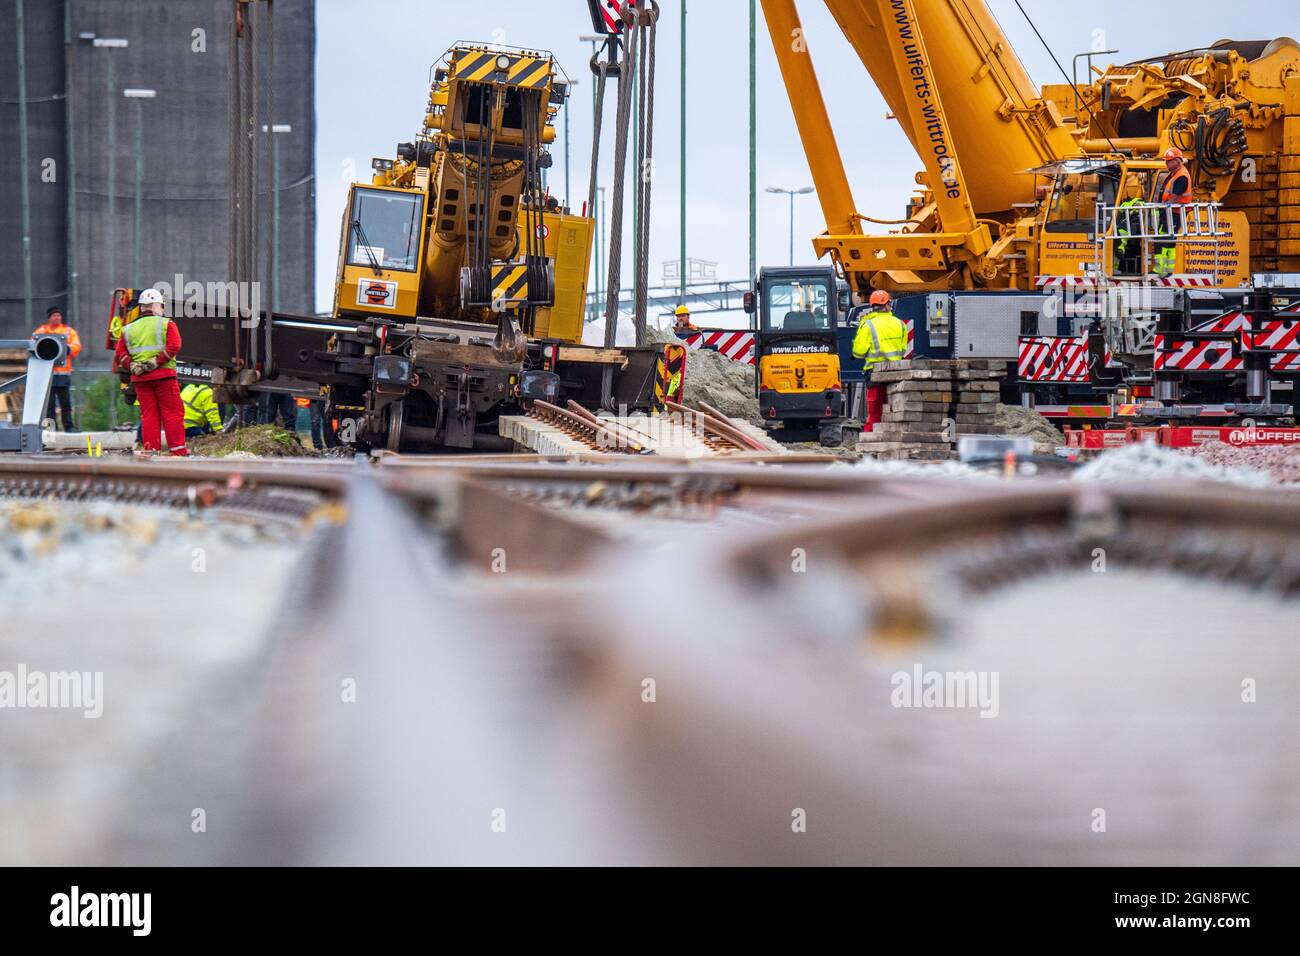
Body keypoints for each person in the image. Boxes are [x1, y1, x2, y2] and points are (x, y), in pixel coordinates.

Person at [113, 287, 188, 456]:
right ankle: (178, 451)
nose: (162, 309)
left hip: (141, 380)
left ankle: (152, 451)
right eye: (161, 306)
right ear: (155, 306)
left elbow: (120, 354)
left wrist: (132, 366)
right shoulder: (166, 323)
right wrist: (156, 362)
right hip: (164, 378)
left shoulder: (128, 329)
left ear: (141, 307)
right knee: (172, 414)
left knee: (149, 416)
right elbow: (174, 346)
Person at [852, 290, 908, 434]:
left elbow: (858, 353)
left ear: (873, 306)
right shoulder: (900, 324)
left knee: (875, 413)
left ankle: (871, 439)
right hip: (896, 373)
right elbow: (903, 349)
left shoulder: (868, 325)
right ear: (888, 305)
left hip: (875, 374)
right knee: (894, 411)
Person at [32, 306, 82, 431]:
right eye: (54, 315)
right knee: (49, 404)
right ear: (49, 318)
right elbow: (32, 345)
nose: (57, 317)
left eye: (58, 315)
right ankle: (50, 427)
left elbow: (76, 346)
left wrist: (66, 349)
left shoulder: (68, 331)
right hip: (46, 374)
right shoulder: (41, 331)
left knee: (65, 403)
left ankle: (69, 427)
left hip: (63, 373)